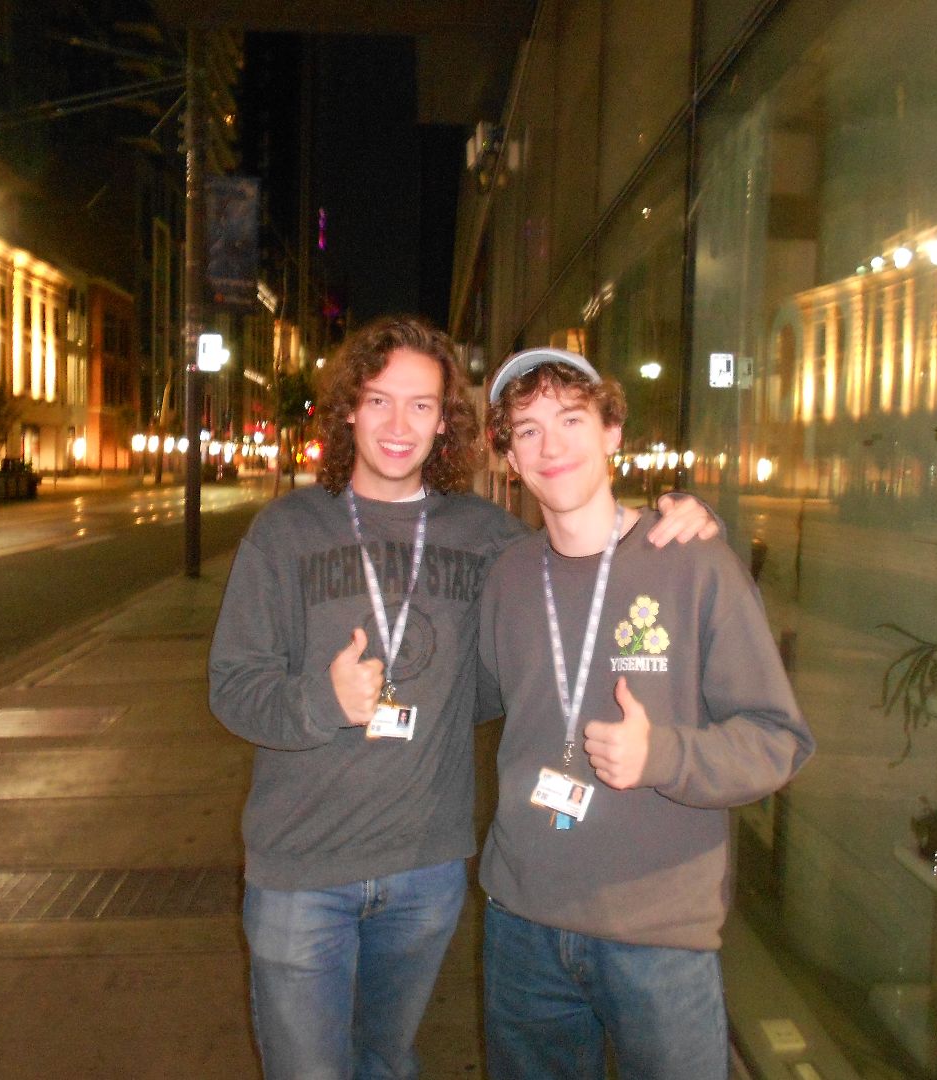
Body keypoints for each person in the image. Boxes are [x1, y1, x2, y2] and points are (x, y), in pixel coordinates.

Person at [207, 318, 716, 1080]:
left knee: (384, 1061)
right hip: (299, 870)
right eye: (379, 401)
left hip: (427, 869)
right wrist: (320, 700)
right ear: (349, 409)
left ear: (446, 420)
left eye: (421, 405)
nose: (398, 424)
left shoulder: (487, 536)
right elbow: (232, 687)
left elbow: (585, 557)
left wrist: (682, 514)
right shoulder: (286, 532)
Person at [476, 347, 815, 1080]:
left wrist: (663, 757)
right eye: (526, 430)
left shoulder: (693, 562)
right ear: (509, 457)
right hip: (522, 925)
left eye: (571, 419)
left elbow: (778, 740)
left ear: (612, 433)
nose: (551, 444)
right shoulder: (506, 575)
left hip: (658, 936)